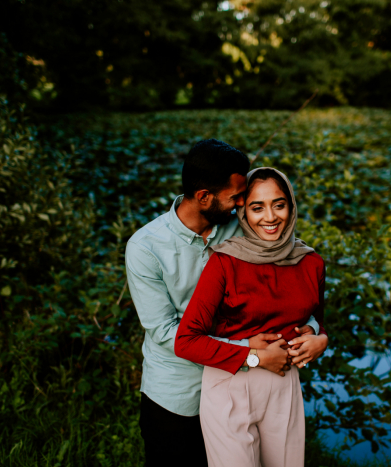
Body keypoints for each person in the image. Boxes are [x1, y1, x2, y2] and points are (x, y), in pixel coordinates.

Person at [125, 140, 321, 467]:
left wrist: (316, 330)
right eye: (235, 197)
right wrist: (249, 352)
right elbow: (164, 331)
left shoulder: (238, 228)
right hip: (179, 395)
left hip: (242, 390)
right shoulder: (145, 248)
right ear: (204, 196)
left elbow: (287, 284)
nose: (243, 202)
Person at [175, 167, 329, 467]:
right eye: (258, 207)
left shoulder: (311, 262)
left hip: (284, 383)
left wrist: (321, 339)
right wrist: (254, 355)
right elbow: (186, 341)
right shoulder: (224, 262)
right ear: (244, 210)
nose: (270, 217)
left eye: (279, 204)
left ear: (291, 206)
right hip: (230, 382)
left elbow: (316, 318)